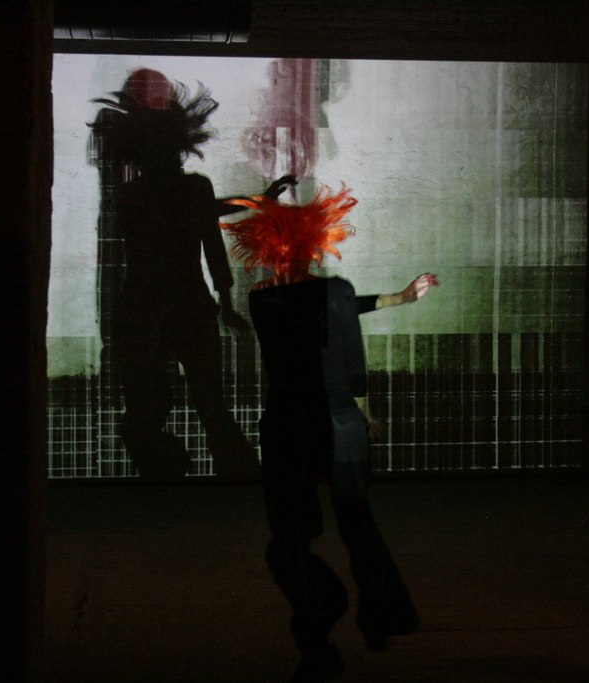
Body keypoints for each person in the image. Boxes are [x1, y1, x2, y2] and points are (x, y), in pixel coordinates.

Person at [222, 184, 439, 681]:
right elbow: (348, 346)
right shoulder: (334, 292)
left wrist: (395, 298)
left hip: (287, 426)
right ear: (315, 245)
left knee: (289, 539)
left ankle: (320, 628)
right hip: (338, 421)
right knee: (357, 524)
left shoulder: (261, 298)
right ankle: (379, 612)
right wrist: (364, 410)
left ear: (269, 249)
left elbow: (321, 305)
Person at [88, 69, 291, 481]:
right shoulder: (191, 190)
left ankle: (166, 466)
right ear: (179, 148)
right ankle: (237, 474)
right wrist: (226, 304)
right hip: (187, 305)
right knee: (208, 398)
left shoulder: (132, 196)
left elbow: (203, 224)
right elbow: (211, 243)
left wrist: (258, 200)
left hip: (144, 306)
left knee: (152, 402)